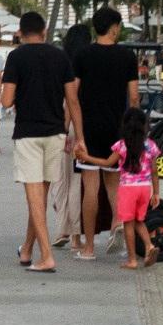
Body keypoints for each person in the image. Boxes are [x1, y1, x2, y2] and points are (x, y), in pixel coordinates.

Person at [0, 11, 83, 274]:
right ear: (44, 31)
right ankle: (27, 249)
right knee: (40, 198)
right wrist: (79, 137)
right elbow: (73, 101)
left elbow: (6, 101)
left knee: (35, 201)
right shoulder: (61, 57)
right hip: (56, 134)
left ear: (21, 34)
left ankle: (46, 256)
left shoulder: (16, 57)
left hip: (28, 134)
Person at [73, 7, 139, 260]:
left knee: (90, 187)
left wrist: (77, 130)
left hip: (89, 127)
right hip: (117, 127)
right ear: (113, 27)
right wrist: (134, 128)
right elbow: (133, 96)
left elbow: (73, 93)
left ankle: (89, 248)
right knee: (115, 184)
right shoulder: (126, 56)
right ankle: (118, 226)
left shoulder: (82, 55)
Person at [77, 108, 162, 270]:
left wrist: (86, 158)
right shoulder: (150, 146)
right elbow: (155, 171)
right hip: (145, 188)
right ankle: (149, 245)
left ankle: (132, 260)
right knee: (139, 221)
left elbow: (108, 164)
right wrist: (156, 192)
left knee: (128, 224)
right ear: (145, 126)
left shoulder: (122, 146)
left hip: (128, 189)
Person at [49, 23, 92, 253]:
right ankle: (75, 236)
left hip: (58, 126)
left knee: (60, 180)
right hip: (78, 127)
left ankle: (61, 229)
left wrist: (61, 130)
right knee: (76, 182)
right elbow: (72, 100)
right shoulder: (86, 63)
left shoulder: (60, 62)